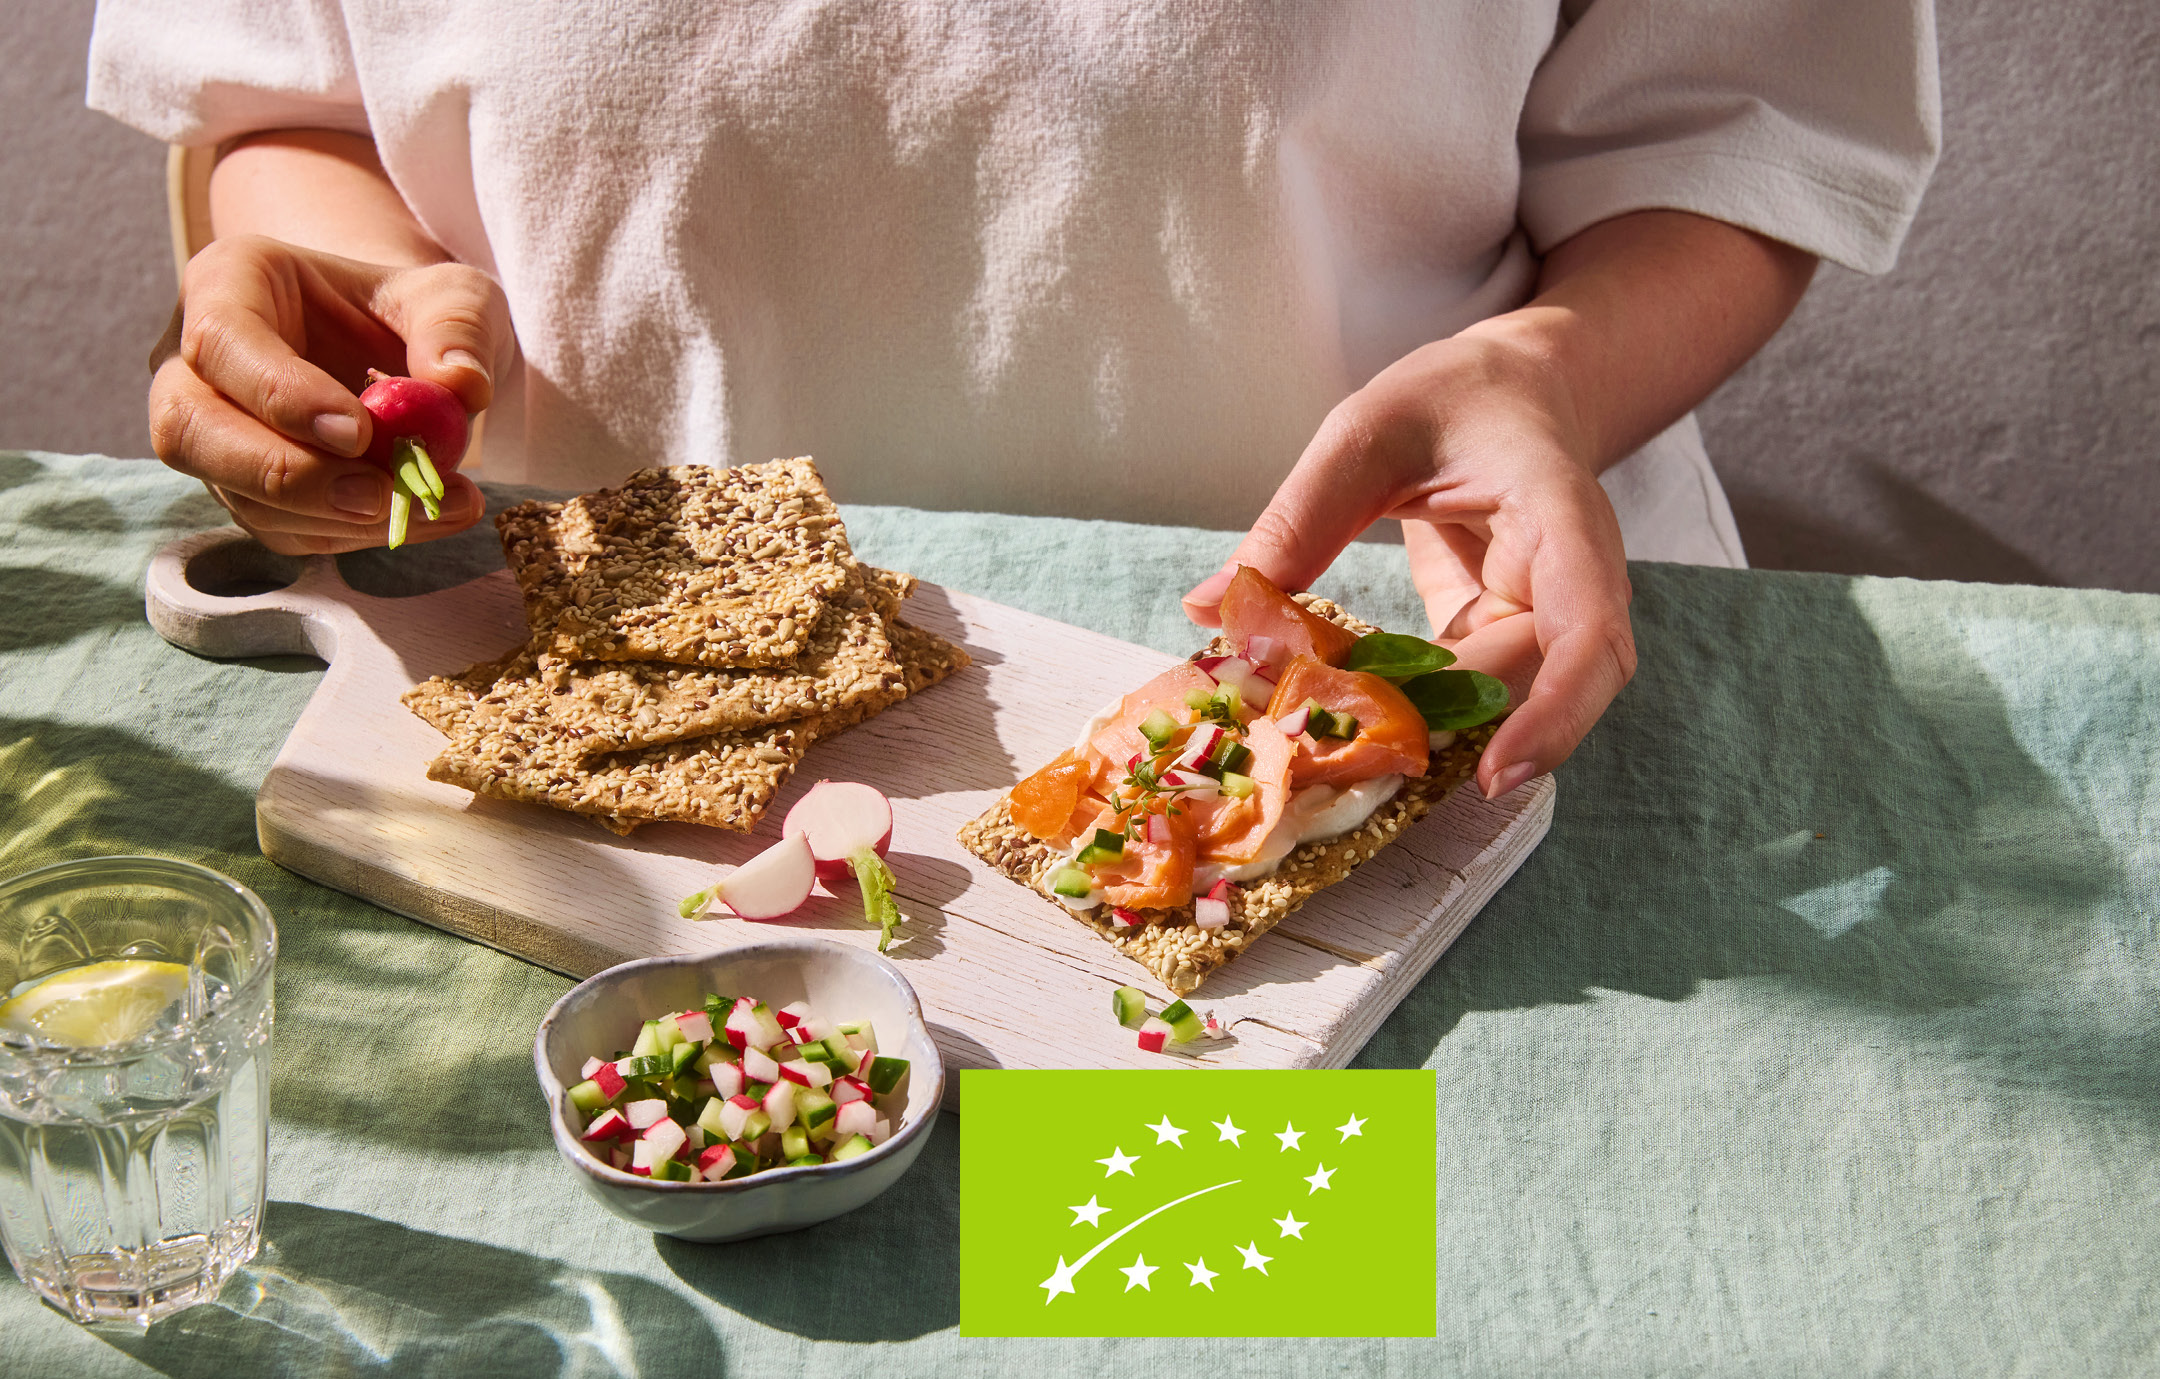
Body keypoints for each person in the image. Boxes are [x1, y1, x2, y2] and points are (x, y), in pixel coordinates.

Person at [88, 1, 1939, 801]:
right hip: (614, 743)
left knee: (1225, 1338)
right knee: (684, 1338)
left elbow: (1732, 129)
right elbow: (286, 100)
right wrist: (333, 294)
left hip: (1377, 693)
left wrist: (1548, 369)